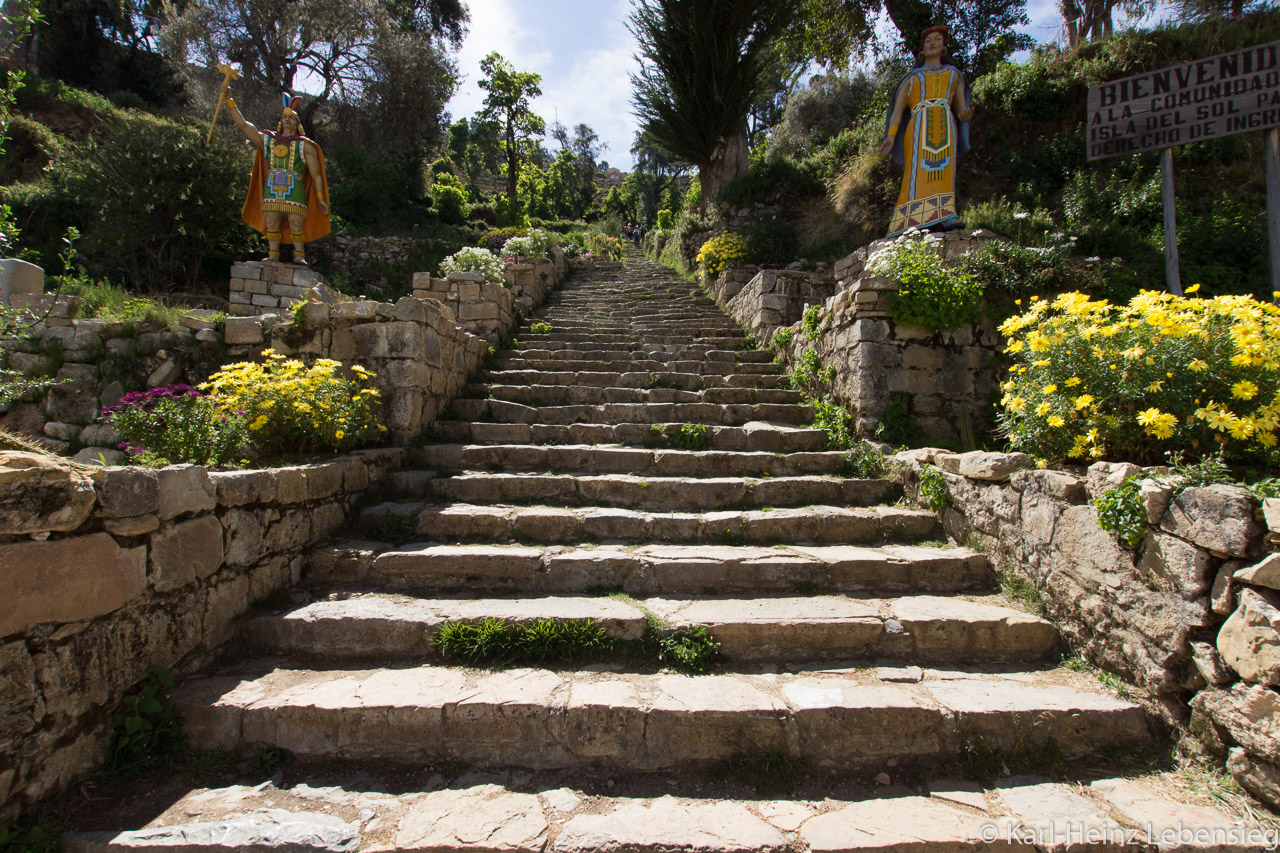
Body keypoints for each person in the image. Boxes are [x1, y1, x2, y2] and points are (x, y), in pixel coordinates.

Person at [879, 26, 972, 237]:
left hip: (945, 122)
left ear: (944, 47)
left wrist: (965, 115)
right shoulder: (912, 79)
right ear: (921, 50)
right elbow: (897, 112)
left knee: (945, 168)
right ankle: (908, 220)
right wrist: (891, 136)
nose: (932, 43)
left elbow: (960, 107)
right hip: (918, 124)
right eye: (928, 40)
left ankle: (947, 213)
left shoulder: (952, 75)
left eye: (937, 39)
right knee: (916, 171)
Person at [222, 89, 330, 264]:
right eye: (285, 117)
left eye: (292, 118)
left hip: (294, 187)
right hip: (272, 186)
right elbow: (244, 126)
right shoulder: (268, 141)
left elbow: (316, 175)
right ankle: (273, 254)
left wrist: (319, 197)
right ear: (280, 121)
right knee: (272, 221)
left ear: (297, 123)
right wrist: (230, 101)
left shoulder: (305, 146)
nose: (287, 120)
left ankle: (299, 256)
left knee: (296, 222)